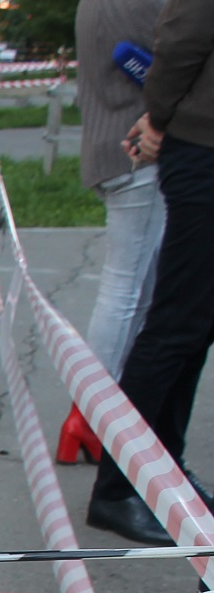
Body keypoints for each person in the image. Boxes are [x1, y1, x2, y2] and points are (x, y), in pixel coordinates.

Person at [86, 0, 214, 551]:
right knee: (174, 324)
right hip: (201, 146)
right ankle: (118, 488)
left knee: (194, 324)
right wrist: (160, 119)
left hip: (197, 141)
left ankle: (163, 471)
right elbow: (184, 36)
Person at [58, 0, 167, 464]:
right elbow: (174, 69)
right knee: (127, 290)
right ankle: (91, 416)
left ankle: (91, 417)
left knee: (130, 286)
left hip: (106, 147)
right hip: (138, 150)